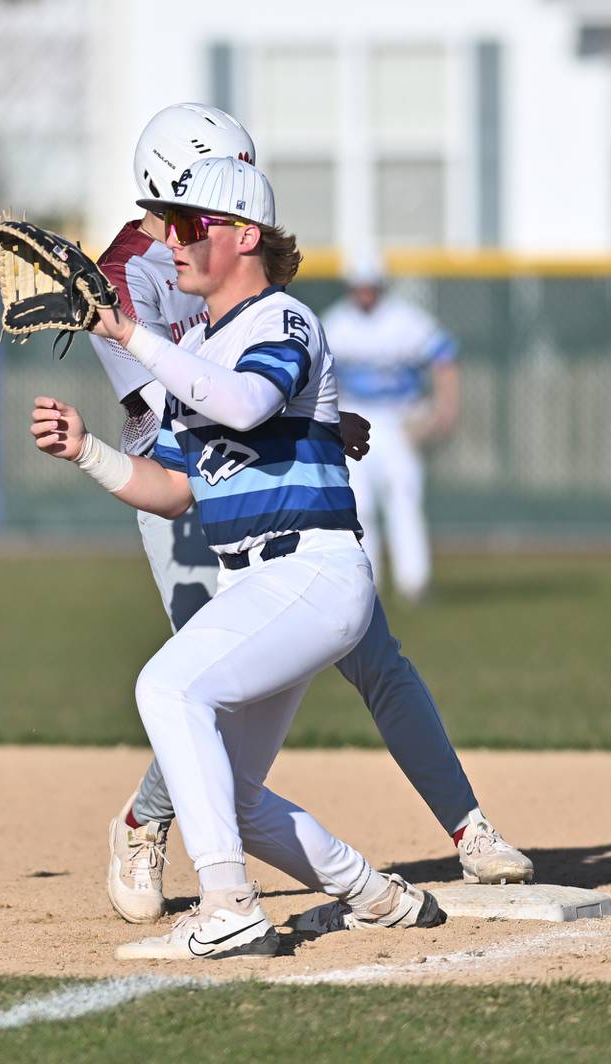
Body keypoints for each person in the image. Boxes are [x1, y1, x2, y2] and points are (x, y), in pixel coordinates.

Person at [88, 104, 531, 931]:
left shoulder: (229, 263)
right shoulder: (124, 272)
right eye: (210, 192)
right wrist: (88, 444)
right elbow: (171, 410)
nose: (220, 215)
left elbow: (264, 371)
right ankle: (148, 827)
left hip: (269, 480)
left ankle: (467, 829)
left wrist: (317, 423)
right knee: (194, 690)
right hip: (183, 480)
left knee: (376, 658)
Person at [33, 155, 446, 960]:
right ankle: (378, 895)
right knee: (238, 798)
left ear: (243, 236)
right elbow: (177, 489)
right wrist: (87, 452)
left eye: (188, 224)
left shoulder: (283, 321)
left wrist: (128, 332)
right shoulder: (206, 351)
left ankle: (227, 903)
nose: (169, 241)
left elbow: (251, 401)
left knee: (165, 684)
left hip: (312, 572)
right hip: (264, 589)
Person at [322, 254, 461, 603]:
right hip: (354, 423)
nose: (365, 293)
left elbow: (444, 357)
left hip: (400, 422)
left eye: (370, 286)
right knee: (358, 505)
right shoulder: (336, 323)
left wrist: (444, 410)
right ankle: (364, 583)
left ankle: (414, 583)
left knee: (404, 499)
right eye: (359, 286)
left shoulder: (405, 321)